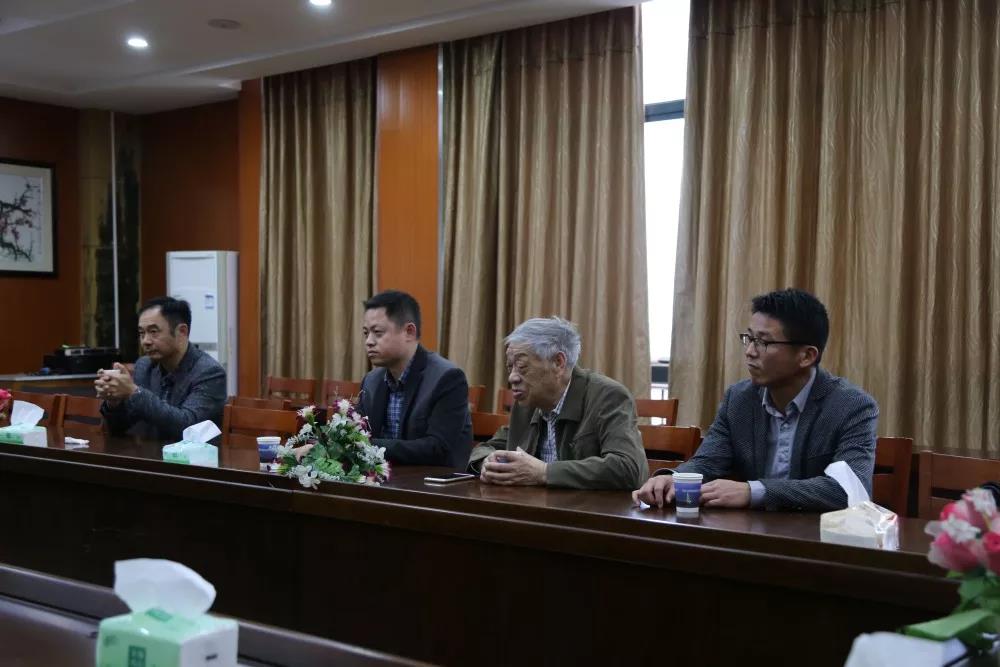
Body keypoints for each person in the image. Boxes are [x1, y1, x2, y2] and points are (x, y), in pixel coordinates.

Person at [633, 288, 878, 512]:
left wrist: (754, 491)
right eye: (749, 339)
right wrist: (673, 479)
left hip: (817, 538)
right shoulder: (739, 399)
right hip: (751, 534)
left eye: (763, 342)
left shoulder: (852, 406)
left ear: (806, 356)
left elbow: (847, 490)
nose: (750, 351)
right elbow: (708, 462)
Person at [469, 317, 647, 490]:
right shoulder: (527, 403)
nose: (512, 377)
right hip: (534, 506)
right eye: (510, 367)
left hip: (590, 508)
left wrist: (544, 472)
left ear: (558, 363)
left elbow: (628, 468)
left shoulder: (608, 396)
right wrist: (487, 462)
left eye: (522, 366)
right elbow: (488, 448)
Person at [358, 290, 471, 468]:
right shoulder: (371, 381)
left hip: (431, 480)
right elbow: (357, 434)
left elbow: (437, 448)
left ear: (409, 332)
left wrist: (368, 446)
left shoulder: (447, 378)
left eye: (377, 332)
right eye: (366, 333)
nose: (369, 341)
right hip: (382, 479)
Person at [98, 296, 227, 441]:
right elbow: (119, 428)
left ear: (182, 332)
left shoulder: (209, 372)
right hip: (149, 453)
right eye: (142, 333)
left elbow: (188, 427)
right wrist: (114, 402)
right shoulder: (144, 366)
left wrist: (134, 392)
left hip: (193, 455)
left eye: (153, 332)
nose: (145, 341)